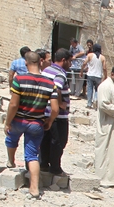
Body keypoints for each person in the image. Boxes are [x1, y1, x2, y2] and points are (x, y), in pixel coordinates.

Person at [4, 51, 58, 198]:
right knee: (32, 155)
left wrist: (7, 122)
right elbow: (55, 108)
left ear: (26, 63)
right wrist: (50, 120)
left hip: (18, 120)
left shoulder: (19, 79)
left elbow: (14, 104)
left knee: (11, 138)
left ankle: (11, 161)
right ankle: (34, 188)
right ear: (40, 62)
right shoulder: (50, 83)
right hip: (36, 123)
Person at [39, 48, 72, 176]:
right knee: (59, 141)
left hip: (45, 112)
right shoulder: (60, 74)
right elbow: (56, 88)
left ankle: (44, 164)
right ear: (64, 60)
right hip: (57, 115)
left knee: (46, 140)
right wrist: (59, 104)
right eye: (69, 62)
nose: (70, 65)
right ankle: (55, 167)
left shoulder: (46, 70)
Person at [82, 43, 106, 109]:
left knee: (89, 89)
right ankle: (95, 100)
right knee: (97, 90)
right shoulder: (103, 57)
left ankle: (89, 104)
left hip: (90, 75)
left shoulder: (90, 55)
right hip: (98, 76)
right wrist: (105, 76)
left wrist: (81, 71)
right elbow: (104, 68)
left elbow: (84, 63)